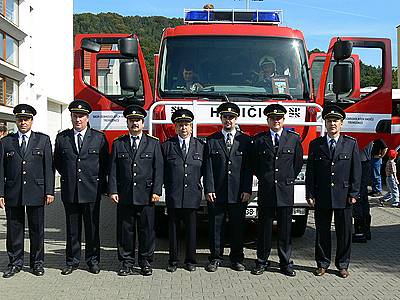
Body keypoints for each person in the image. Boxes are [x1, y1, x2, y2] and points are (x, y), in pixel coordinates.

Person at [54, 100, 109, 275]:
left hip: (91, 190)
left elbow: (105, 165)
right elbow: (58, 163)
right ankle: (72, 261)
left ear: (87, 117)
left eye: (81, 116)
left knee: (92, 229)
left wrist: (102, 187)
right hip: (70, 191)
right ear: (70, 117)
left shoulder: (99, 138)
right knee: (72, 229)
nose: (78, 119)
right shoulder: (62, 138)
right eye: (74, 116)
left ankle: (93, 261)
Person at [306, 105, 361, 278]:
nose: (332, 124)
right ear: (325, 123)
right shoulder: (316, 144)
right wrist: (310, 194)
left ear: (342, 123)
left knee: (344, 232)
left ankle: (342, 265)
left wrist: (354, 193)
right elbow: (311, 172)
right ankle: (322, 263)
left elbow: (356, 171)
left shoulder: (350, 144)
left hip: (344, 196)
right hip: (322, 195)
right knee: (322, 231)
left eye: (335, 121)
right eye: (329, 121)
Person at [0, 104, 54, 278]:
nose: (23, 122)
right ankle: (15, 263)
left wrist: (50, 191)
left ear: (32, 121)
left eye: (26, 119)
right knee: (14, 229)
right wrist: (0, 193)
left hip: (36, 191)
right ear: (15, 120)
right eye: (20, 119)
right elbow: (0, 170)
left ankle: (37, 263)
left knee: (37, 229)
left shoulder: (43, 140)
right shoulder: (6, 141)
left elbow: (49, 168)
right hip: (13, 192)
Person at [109, 105, 163, 276]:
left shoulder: (153, 143)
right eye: (131, 121)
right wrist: (113, 190)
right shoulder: (119, 143)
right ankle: (126, 262)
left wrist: (156, 191)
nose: (134, 123)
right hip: (125, 195)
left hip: (147, 195)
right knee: (126, 230)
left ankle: (145, 262)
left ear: (142, 122)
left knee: (146, 230)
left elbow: (158, 169)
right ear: (127, 123)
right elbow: (113, 170)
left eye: (137, 121)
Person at [251, 104, 303, 277]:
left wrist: (286, 180)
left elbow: (296, 165)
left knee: (285, 229)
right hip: (266, 190)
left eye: (279, 118)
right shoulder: (259, 140)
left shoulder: (294, 139)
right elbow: (256, 166)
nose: (276, 121)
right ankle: (261, 261)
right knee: (264, 229)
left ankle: (285, 262)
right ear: (268, 120)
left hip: (285, 190)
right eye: (273, 118)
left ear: (283, 120)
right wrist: (267, 179)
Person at [204, 102, 253, 272]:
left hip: (238, 192)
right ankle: (215, 258)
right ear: (220, 118)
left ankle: (237, 259)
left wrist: (247, 189)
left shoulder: (245, 140)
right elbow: (207, 167)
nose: (228, 120)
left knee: (237, 227)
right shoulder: (212, 140)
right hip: (217, 192)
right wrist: (209, 188)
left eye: (231, 117)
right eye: (225, 117)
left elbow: (248, 168)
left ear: (236, 118)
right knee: (216, 227)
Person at [162, 109, 205, 273]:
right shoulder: (167, 146)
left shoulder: (200, 146)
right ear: (175, 127)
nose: (183, 128)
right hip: (174, 195)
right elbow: (162, 171)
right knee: (173, 231)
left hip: (192, 195)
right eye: (180, 125)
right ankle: (173, 261)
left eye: (186, 125)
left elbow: (206, 171)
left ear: (192, 127)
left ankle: (190, 260)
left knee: (191, 231)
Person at [352, 141, 373, 243]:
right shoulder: (370, 137)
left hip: (361, 163)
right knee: (364, 200)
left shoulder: (360, 139)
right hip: (366, 163)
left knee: (358, 200)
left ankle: (359, 232)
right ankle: (366, 231)